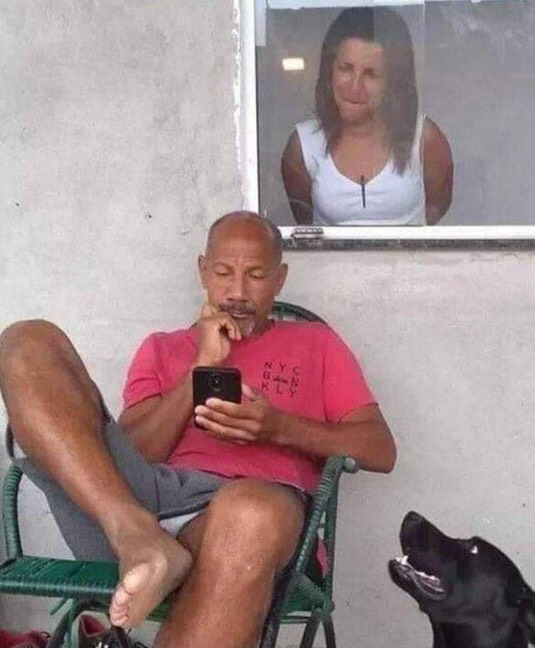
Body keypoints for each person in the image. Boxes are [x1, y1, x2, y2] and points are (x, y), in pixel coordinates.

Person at [0, 212, 396, 648]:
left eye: (256, 275)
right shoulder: (162, 348)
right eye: (224, 273)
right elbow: (132, 454)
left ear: (280, 278)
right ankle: (141, 540)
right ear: (203, 270)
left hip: (258, 517)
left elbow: (380, 449)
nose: (238, 292)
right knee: (27, 341)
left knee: (249, 513)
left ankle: (149, 551)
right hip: (137, 505)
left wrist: (280, 427)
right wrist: (198, 372)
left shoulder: (316, 344)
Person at [281, 6, 453, 227]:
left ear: (393, 81)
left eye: (371, 74)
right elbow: (303, 218)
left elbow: (437, 206)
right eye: (346, 68)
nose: (355, 86)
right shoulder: (303, 145)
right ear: (329, 71)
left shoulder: (424, 139)